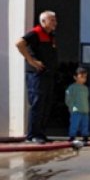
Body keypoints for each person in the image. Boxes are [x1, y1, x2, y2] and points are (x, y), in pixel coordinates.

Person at [14, 10, 59, 143]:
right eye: (52, 20)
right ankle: (32, 135)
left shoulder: (51, 35)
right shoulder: (36, 33)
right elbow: (19, 43)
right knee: (37, 104)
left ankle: (41, 133)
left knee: (46, 104)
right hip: (37, 75)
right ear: (43, 21)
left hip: (48, 75)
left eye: (55, 20)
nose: (55, 23)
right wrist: (31, 61)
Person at [65, 67, 90, 144]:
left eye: (85, 77)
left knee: (85, 124)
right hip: (75, 110)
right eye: (81, 77)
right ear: (75, 77)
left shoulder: (85, 88)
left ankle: (85, 137)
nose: (84, 79)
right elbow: (68, 98)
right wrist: (72, 107)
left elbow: (86, 99)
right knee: (74, 124)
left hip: (85, 110)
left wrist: (87, 108)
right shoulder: (71, 87)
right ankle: (72, 136)